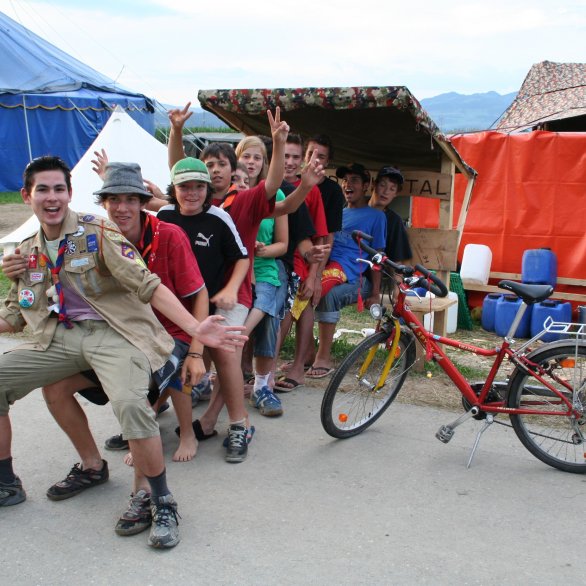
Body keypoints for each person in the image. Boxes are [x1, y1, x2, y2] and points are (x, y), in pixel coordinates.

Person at [0, 156, 246, 549]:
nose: (51, 197)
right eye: (42, 190)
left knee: (132, 404)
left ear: (70, 194)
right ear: (27, 195)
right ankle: (11, 481)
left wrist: (196, 330)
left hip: (117, 334)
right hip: (63, 336)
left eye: (58, 189)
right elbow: (16, 314)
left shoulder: (97, 233)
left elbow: (149, 285)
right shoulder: (28, 251)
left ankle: (159, 500)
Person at [167, 105, 324, 461]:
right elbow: (178, 170)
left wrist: (279, 142)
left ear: (233, 170)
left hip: (232, 294)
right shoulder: (192, 201)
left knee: (226, 354)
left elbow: (276, 192)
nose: (215, 170)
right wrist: (175, 132)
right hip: (194, 296)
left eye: (223, 164)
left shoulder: (245, 200)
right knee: (184, 355)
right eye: (208, 164)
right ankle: (180, 422)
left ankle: (237, 424)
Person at [276, 134, 343, 390]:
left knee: (299, 308)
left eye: (295, 156)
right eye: (286, 157)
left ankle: (295, 368)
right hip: (274, 259)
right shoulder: (270, 184)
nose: (291, 162)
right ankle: (256, 370)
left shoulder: (313, 191)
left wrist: (315, 275)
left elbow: (322, 236)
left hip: (300, 261)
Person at [308, 163, 387, 377]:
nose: (347, 184)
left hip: (357, 278)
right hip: (329, 270)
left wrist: (375, 293)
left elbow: (378, 255)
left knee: (328, 295)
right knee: (304, 291)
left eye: (354, 180)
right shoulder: (338, 212)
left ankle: (323, 357)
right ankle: (307, 353)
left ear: (365, 186)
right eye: (345, 180)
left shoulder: (376, 217)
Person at [369, 166, 412, 263]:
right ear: (374, 185)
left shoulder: (394, 221)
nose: (386, 192)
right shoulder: (356, 207)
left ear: (396, 194)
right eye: (382, 185)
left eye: (392, 189)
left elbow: (397, 262)